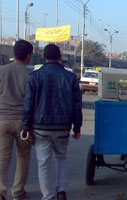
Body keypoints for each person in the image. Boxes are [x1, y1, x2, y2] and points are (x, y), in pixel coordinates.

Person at [23, 44, 82, 200]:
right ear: (60, 57)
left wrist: (27, 127)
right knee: (61, 158)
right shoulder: (71, 78)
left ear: (44, 57)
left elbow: (28, 104)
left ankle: (47, 195)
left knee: (43, 162)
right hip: (63, 127)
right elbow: (77, 105)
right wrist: (77, 127)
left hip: (40, 127)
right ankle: (62, 191)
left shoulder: (34, 77)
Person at [0, 40, 33, 200]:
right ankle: (17, 191)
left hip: (2, 120)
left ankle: (1, 190)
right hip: (23, 122)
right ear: (29, 55)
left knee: (2, 157)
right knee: (23, 155)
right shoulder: (30, 75)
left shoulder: (1, 71)